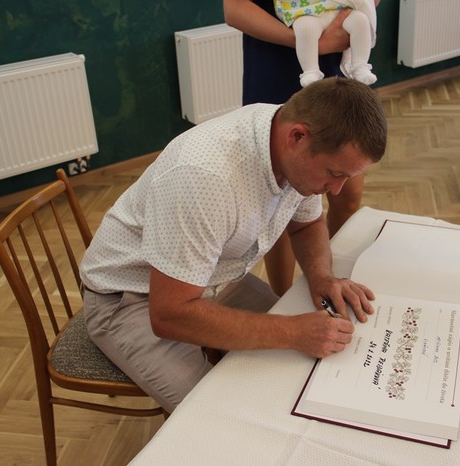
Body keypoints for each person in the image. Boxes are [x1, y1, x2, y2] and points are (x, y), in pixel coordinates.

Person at [79, 77, 388, 413]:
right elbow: (170, 314)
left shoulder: (291, 138)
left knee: (298, 373)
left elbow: (307, 224)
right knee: (222, 415)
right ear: (297, 137)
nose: (337, 190)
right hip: (132, 298)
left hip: (214, 276)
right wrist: (292, 332)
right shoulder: (205, 177)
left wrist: (321, 275)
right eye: (334, 173)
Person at [224, 0, 378, 296]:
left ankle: (329, 281)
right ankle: (281, 298)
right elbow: (235, 9)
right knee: (276, 206)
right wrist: (308, 40)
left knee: (347, 194)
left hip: (340, 57)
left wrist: (346, 23)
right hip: (277, 56)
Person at [274, 0, 377, 87]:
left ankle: (360, 66)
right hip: (307, 11)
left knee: (361, 20)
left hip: (341, 8)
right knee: (305, 28)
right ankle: (310, 71)